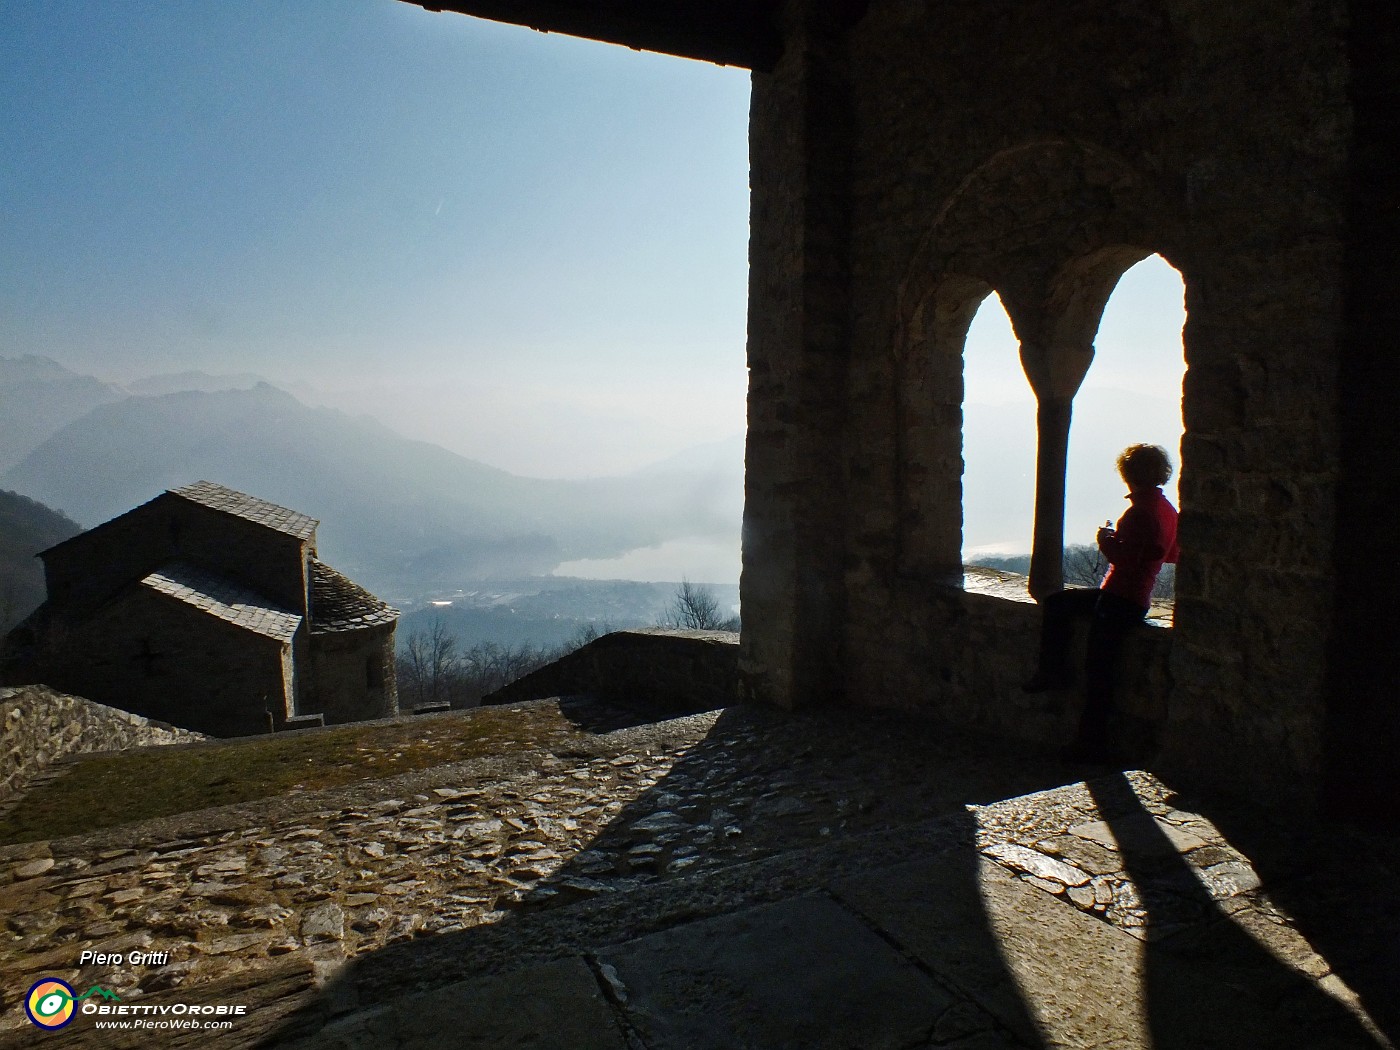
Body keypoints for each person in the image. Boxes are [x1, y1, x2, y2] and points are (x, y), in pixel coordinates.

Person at [1023, 443, 1179, 763]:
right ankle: (1053, 675)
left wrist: (1106, 540)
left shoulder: (1139, 512)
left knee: (1098, 672)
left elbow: (1125, 560)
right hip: (1136, 598)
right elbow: (1170, 554)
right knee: (1060, 605)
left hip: (1119, 598)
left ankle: (1088, 743)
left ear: (1128, 474)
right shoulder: (1166, 510)